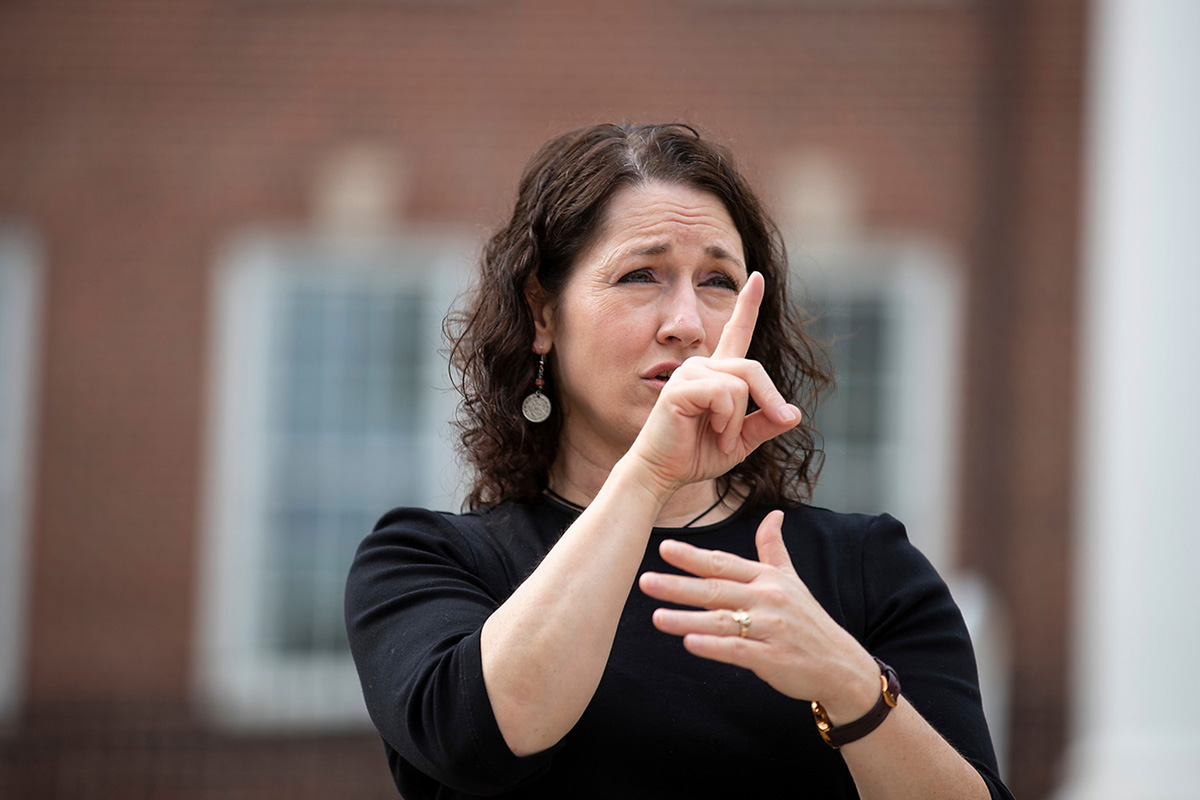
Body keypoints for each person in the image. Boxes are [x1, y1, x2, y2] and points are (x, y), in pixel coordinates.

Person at [344, 123, 1014, 799]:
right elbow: (483, 735)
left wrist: (846, 681)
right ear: (542, 315)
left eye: (718, 281)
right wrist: (650, 475)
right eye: (642, 275)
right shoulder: (428, 560)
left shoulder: (867, 567)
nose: (687, 323)